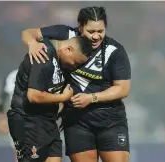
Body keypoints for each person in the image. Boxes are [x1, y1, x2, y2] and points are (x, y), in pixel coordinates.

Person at [22, 6, 131, 162]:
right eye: (90, 31)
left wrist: (92, 98)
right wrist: (32, 44)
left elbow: (122, 88)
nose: (96, 36)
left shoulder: (115, 51)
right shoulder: (65, 34)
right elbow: (28, 33)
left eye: (100, 31)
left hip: (111, 120)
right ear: (80, 27)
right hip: (76, 121)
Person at [7, 36, 93, 162]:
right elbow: (34, 95)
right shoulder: (43, 54)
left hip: (48, 123)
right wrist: (63, 97)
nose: (74, 65)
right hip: (28, 122)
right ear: (68, 49)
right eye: (75, 62)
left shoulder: (63, 63)